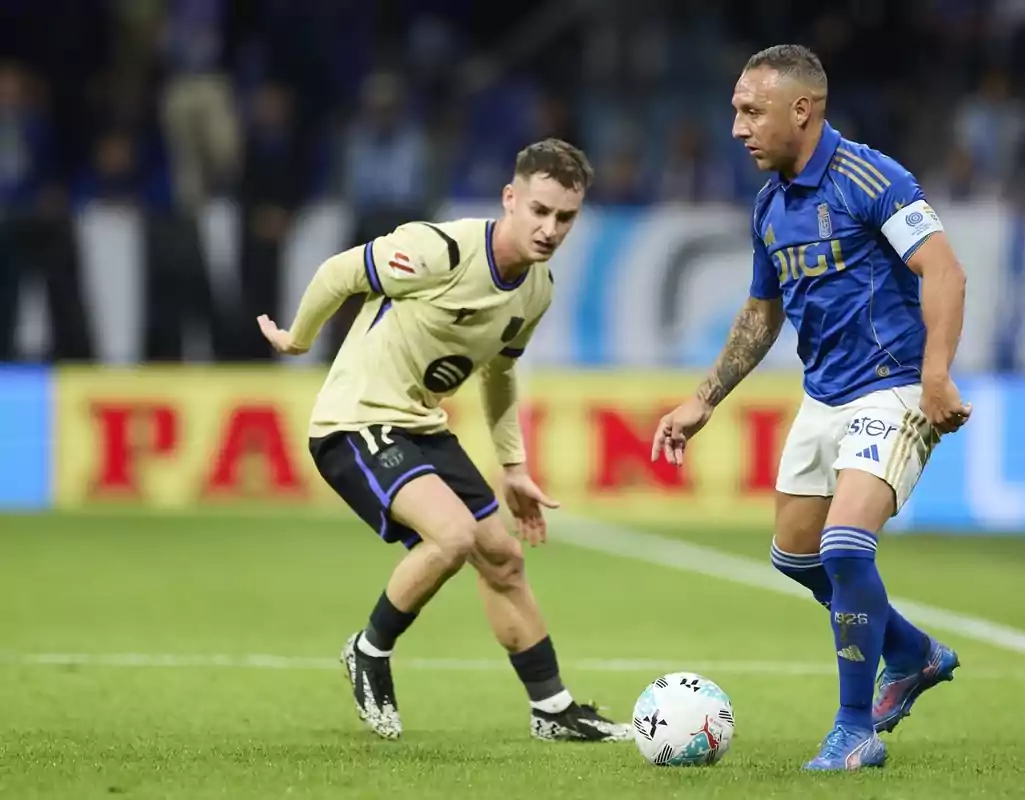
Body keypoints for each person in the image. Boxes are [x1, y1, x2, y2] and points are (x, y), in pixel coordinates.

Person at [651, 45, 969, 771]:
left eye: (750, 110)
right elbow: (763, 312)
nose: (736, 127)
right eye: (736, 108)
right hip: (822, 395)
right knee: (794, 556)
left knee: (844, 546)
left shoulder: (872, 178)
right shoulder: (771, 205)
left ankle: (854, 726)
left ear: (804, 109)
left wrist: (936, 375)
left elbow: (943, 269)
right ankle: (912, 652)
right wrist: (703, 399)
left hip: (891, 386)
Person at [257, 138, 631, 743]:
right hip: (355, 420)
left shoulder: (536, 289)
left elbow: (501, 373)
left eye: (565, 217)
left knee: (502, 558)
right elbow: (338, 272)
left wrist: (513, 466)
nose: (550, 228)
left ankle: (553, 710)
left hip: (421, 426)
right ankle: (369, 649)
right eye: (539, 210)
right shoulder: (443, 250)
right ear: (511, 199)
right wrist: (299, 339)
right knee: (452, 536)